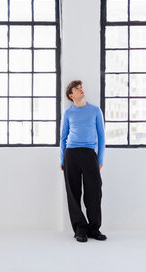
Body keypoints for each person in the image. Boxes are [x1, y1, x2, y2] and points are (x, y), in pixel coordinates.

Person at [60, 80, 107, 243]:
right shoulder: (68, 113)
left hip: (89, 154)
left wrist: (100, 158)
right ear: (71, 95)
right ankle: (80, 228)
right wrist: (62, 159)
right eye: (77, 89)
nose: (81, 90)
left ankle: (94, 228)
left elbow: (101, 136)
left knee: (94, 192)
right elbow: (63, 137)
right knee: (73, 193)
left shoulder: (95, 110)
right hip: (71, 154)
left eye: (81, 87)